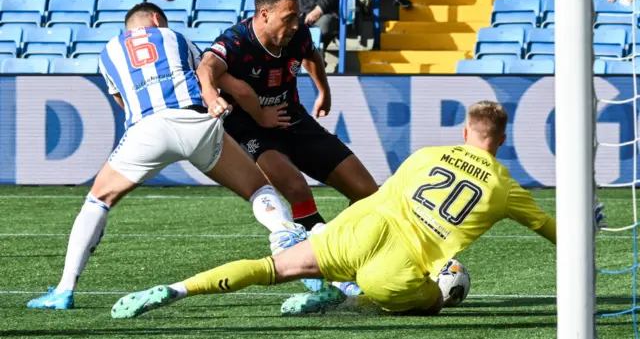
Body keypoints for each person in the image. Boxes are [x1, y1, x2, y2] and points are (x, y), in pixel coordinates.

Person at [110, 100, 561, 318]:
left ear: (464, 132)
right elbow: (554, 232)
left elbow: (378, 197)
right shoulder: (505, 186)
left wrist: (331, 235)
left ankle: (176, 290)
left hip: (356, 231)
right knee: (447, 290)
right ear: (500, 139)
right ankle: (350, 302)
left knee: (270, 267)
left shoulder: (426, 155)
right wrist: (585, 226)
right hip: (399, 267)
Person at [26, 3, 301, 311]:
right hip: (197, 121)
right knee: (258, 189)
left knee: (98, 200)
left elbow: (123, 101)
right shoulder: (177, 37)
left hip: (148, 128)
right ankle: (285, 236)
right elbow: (213, 77)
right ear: (158, 20)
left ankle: (64, 290)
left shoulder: (108, 52)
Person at [201, 0, 378, 235]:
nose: (296, 24)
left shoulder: (299, 34)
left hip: (293, 119)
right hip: (251, 129)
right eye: (288, 18)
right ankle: (317, 259)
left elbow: (312, 57)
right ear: (264, 14)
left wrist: (324, 92)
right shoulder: (237, 40)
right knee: (297, 188)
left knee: (369, 194)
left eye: (297, 17)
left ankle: (346, 243)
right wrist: (211, 97)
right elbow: (206, 67)